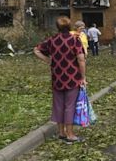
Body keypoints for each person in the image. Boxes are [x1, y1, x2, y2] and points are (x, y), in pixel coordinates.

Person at [33, 16, 86, 144]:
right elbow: (80, 59)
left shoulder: (52, 40)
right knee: (69, 106)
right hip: (72, 77)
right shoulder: (74, 40)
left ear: (57, 27)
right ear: (69, 26)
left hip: (57, 78)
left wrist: (48, 60)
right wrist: (83, 77)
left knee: (58, 105)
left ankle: (61, 132)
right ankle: (70, 134)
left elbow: (36, 50)